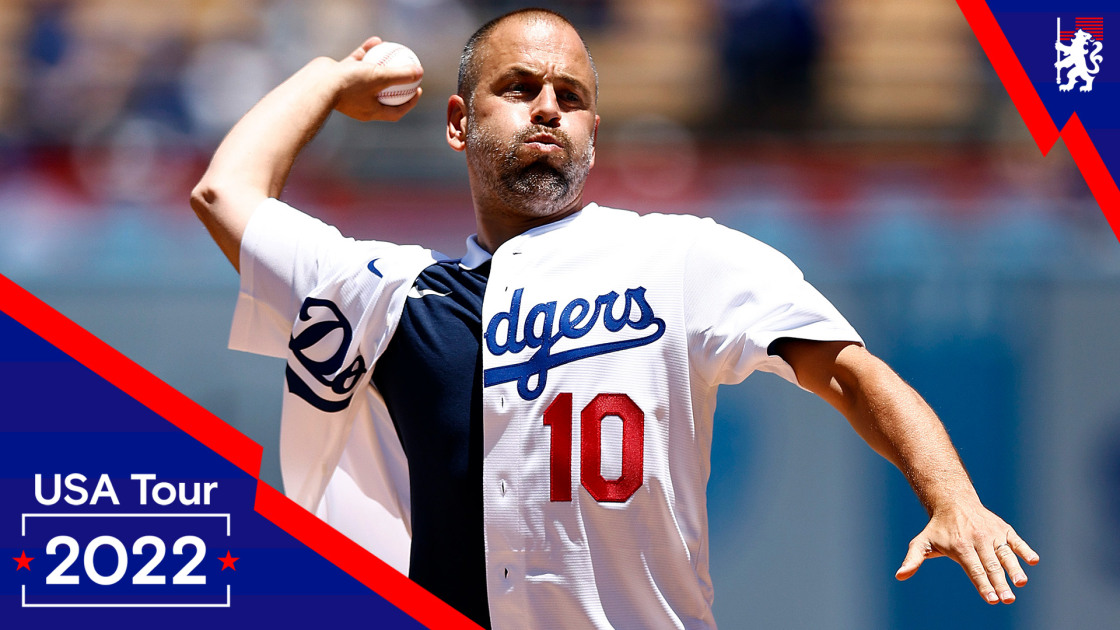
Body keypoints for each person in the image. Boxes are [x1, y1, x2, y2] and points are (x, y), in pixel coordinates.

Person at [190, 8, 1038, 629]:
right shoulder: (389, 297)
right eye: (517, 89)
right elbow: (223, 192)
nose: (548, 107)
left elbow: (851, 372)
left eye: (570, 94)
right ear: (459, 122)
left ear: (595, 128)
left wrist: (951, 495)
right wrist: (334, 77)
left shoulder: (681, 258)